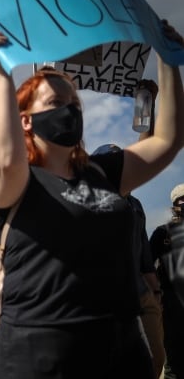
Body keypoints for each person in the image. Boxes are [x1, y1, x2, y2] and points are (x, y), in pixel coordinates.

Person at [0, 20, 184, 378]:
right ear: (25, 121)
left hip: (120, 342)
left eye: (75, 103)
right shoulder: (17, 181)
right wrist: (1, 73)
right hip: (42, 348)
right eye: (57, 102)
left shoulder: (103, 172)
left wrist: (169, 60)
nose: (70, 110)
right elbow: (8, 158)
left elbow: (167, 141)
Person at [92, 143, 165, 379]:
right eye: (111, 162)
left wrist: (155, 291)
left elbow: (143, 249)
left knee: (156, 357)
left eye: (120, 161)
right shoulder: (90, 203)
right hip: (104, 296)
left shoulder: (135, 205)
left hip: (141, 291)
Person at [150, 183, 184, 379]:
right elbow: (146, 266)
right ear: (174, 204)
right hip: (172, 305)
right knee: (174, 359)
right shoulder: (163, 233)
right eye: (182, 200)